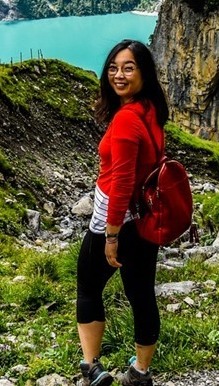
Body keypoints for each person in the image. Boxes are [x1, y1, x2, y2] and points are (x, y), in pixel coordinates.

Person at [76, 39, 169, 386]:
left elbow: (122, 182)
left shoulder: (127, 119)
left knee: (88, 286)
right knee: (141, 293)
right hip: (146, 217)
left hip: (117, 218)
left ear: (144, 72)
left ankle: (91, 367)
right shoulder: (150, 109)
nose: (118, 75)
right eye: (113, 68)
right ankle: (140, 372)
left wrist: (111, 235)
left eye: (128, 68)